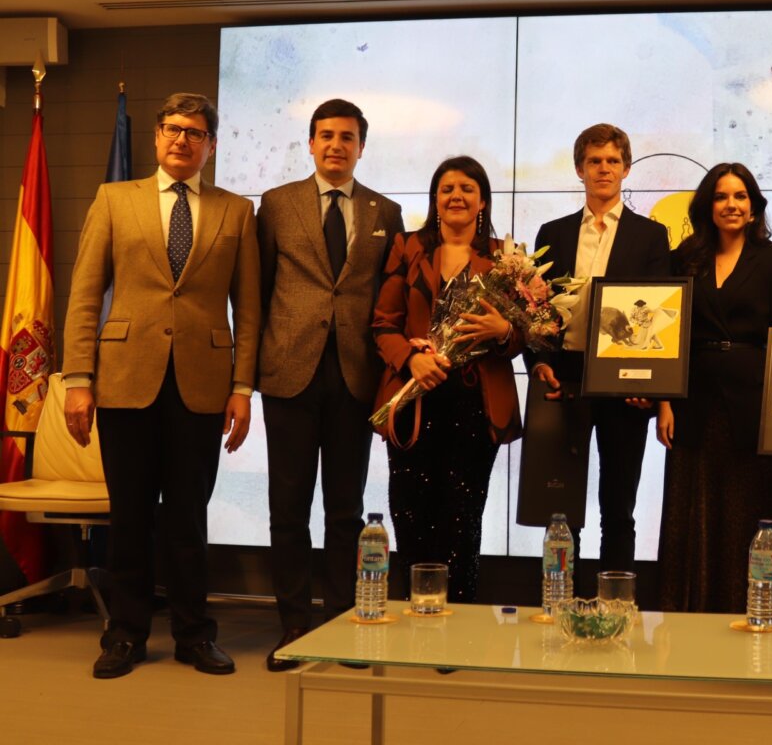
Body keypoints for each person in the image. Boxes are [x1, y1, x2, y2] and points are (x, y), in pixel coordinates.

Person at [62, 92, 260, 678]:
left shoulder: (236, 211)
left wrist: (243, 388)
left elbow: (247, 310)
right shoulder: (114, 199)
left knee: (189, 520)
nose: (182, 140)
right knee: (129, 517)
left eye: (195, 133)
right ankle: (124, 634)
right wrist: (78, 379)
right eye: (173, 129)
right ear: (155, 137)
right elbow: (83, 293)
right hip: (125, 381)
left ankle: (195, 635)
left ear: (211, 145)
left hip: (203, 384)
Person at [257, 99, 403, 672]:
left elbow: (388, 299)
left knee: (345, 511)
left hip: (354, 377)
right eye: (326, 136)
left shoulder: (385, 211)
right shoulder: (276, 205)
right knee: (288, 509)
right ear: (310, 144)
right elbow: (259, 288)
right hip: (289, 373)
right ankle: (293, 626)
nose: (336, 145)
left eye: (347, 137)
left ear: (362, 146)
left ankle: (344, 622)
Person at [373, 156, 522, 602]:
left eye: (467, 188)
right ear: (435, 199)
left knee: (463, 518)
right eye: (447, 188)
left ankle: (457, 621)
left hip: (475, 407)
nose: (456, 195)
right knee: (410, 513)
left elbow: (527, 336)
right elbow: (382, 324)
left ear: (482, 201)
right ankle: (416, 612)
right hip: (416, 400)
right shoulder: (408, 245)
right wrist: (409, 360)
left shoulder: (504, 258)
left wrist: (506, 332)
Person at [655, 163, 772, 613]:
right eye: (721, 196)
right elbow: (666, 334)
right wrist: (663, 402)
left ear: (754, 208)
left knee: (752, 514)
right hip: (692, 402)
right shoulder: (684, 258)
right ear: (707, 206)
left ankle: (756, 615)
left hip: (755, 406)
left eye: (740, 197)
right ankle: (690, 619)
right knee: (693, 514)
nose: (731, 205)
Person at [527, 123, 670, 575]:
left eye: (612, 161)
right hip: (562, 378)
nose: (603, 169)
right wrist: (539, 363)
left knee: (618, 508)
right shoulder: (553, 232)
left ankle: (616, 606)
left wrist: (654, 384)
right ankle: (558, 602)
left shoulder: (651, 236)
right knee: (559, 506)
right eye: (594, 161)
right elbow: (534, 310)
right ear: (579, 169)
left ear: (626, 169)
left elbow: (660, 316)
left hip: (623, 381)